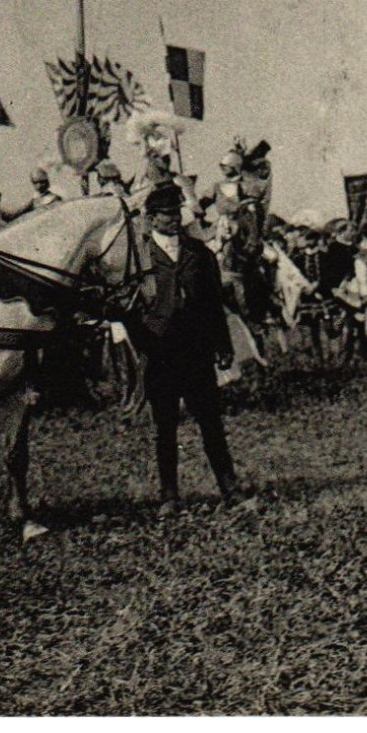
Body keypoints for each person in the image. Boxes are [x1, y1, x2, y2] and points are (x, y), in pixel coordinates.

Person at [132, 183, 250, 516]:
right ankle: (169, 495)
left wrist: (223, 345)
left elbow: (215, 303)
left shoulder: (199, 252)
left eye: (176, 212)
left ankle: (230, 488)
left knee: (210, 420)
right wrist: (143, 343)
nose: (173, 219)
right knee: (165, 426)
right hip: (160, 350)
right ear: (151, 218)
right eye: (166, 214)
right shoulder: (140, 256)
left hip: (197, 348)